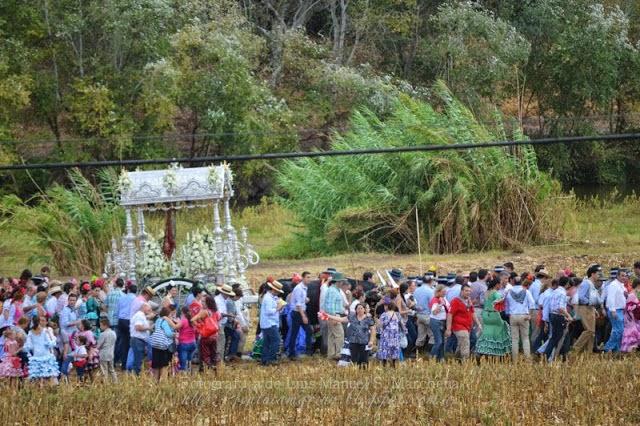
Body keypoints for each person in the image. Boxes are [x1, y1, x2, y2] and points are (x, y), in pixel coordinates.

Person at [324, 303, 375, 368]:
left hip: (364, 342)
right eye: (358, 308)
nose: (359, 310)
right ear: (356, 310)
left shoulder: (369, 319)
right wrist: (328, 316)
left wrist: (371, 341)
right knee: (354, 360)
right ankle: (356, 374)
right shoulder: (352, 317)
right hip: (353, 342)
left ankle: (364, 374)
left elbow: (373, 330)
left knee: (363, 360)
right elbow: (341, 319)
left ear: (364, 310)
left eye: (361, 308)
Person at [475, 279, 511, 358]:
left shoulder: (486, 293)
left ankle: (483, 349)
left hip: (485, 314)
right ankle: (496, 351)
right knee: (500, 330)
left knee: (487, 331)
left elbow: (482, 302)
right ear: (496, 285)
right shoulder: (495, 293)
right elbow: (499, 300)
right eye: (500, 284)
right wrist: (506, 296)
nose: (500, 286)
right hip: (494, 314)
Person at [445, 284, 481, 360]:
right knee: (465, 342)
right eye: (466, 291)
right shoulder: (455, 301)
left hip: (467, 326)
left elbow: (472, 313)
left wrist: (478, 323)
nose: (468, 292)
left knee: (461, 344)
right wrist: (448, 329)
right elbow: (450, 315)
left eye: (469, 291)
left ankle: (456, 360)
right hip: (458, 326)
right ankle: (466, 363)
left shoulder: (469, 300)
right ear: (461, 291)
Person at [573, 265, 601, 354]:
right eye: (598, 274)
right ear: (592, 274)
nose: (599, 275)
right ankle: (575, 349)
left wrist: (594, 309)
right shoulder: (586, 283)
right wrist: (589, 303)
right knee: (589, 330)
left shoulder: (590, 283)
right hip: (585, 308)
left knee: (592, 333)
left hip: (590, 308)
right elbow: (581, 296)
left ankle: (588, 352)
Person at [505, 278, 535, 361]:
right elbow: (532, 304)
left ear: (513, 282)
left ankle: (515, 359)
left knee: (514, 339)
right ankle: (527, 359)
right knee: (525, 338)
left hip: (513, 316)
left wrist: (508, 314)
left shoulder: (509, 292)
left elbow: (506, 306)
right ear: (521, 282)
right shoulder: (526, 292)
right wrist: (530, 315)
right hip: (524, 315)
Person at [544, 276, 573, 361]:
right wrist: (568, 316)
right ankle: (548, 355)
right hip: (559, 316)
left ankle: (548, 356)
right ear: (567, 284)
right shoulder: (562, 293)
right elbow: (561, 307)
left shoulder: (554, 291)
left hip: (552, 315)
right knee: (557, 338)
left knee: (555, 337)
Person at [24, 316, 59, 385]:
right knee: (50, 376)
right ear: (39, 322)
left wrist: (29, 355)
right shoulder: (45, 331)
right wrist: (54, 338)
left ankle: (40, 392)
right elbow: (50, 344)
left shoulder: (30, 332)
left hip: (36, 356)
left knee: (38, 378)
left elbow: (28, 346)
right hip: (46, 355)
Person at [191, 295, 222, 370]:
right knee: (213, 355)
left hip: (205, 336)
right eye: (201, 301)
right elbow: (218, 321)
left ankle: (206, 369)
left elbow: (192, 320)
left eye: (203, 301)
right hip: (214, 336)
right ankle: (214, 370)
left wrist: (199, 326)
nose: (202, 303)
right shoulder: (216, 311)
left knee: (204, 355)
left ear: (208, 303)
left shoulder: (204, 312)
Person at [260, 280, 285, 366]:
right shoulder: (268, 298)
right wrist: (279, 308)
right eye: (278, 291)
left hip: (268, 323)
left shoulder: (271, 297)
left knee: (267, 342)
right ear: (274, 290)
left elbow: (275, 311)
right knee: (276, 341)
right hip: (269, 323)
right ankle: (271, 359)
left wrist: (280, 308)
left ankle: (264, 360)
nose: (278, 293)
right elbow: (269, 312)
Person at [150, 306, 178, 382]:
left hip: (155, 345)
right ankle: (163, 382)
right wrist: (174, 334)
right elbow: (168, 333)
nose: (170, 315)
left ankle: (155, 381)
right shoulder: (165, 321)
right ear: (166, 314)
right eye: (170, 314)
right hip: (163, 346)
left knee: (156, 365)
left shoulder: (158, 320)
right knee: (164, 365)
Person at [323, 274, 346, 360]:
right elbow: (330, 305)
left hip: (332, 315)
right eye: (342, 281)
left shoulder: (334, 289)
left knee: (332, 335)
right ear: (338, 282)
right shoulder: (333, 291)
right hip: (334, 315)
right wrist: (334, 317)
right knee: (340, 335)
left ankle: (331, 354)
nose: (343, 283)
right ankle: (339, 353)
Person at [604, 269, 627, 353]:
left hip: (621, 310)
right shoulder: (613, 285)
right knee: (618, 330)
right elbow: (611, 298)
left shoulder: (621, 285)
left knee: (620, 331)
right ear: (617, 276)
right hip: (616, 310)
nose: (624, 277)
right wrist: (613, 310)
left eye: (625, 275)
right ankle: (608, 347)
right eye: (622, 275)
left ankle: (616, 350)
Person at [376, 299, 403, 367]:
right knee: (394, 350)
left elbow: (380, 325)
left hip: (386, 336)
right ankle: (393, 364)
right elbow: (402, 324)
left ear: (387, 306)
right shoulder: (397, 314)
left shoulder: (384, 315)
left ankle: (384, 364)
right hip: (395, 336)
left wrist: (377, 322)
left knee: (385, 350)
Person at [115, 284, 136, 369]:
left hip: (121, 321)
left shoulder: (122, 297)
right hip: (129, 321)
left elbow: (117, 310)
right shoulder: (135, 299)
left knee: (123, 343)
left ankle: (123, 364)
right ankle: (129, 364)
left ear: (128, 290)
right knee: (130, 343)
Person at [130, 302, 152, 375]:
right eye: (148, 309)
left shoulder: (141, 315)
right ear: (144, 307)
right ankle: (135, 377)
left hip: (139, 340)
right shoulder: (139, 315)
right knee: (138, 360)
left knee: (138, 360)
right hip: (137, 340)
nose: (149, 311)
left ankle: (135, 376)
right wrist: (149, 327)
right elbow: (138, 327)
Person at [429, 285, 450, 362]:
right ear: (438, 292)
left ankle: (441, 358)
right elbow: (434, 312)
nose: (445, 293)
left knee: (443, 341)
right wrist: (441, 304)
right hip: (436, 321)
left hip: (443, 321)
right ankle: (432, 357)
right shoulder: (435, 300)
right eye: (443, 292)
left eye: (445, 292)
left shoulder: (444, 299)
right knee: (439, 341)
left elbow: (448, 308)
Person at [414, 275, 434, 353]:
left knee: (421, 335)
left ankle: (417, 353)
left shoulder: (416, 290)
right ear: (430, 281)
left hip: (419, 315)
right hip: (427, 315)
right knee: (432, 335)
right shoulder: (430, 291)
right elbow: (432, 304)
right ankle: (430, 353)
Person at [621, 278, 640, 352]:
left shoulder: (635, 294)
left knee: (636, 332)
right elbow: (628, 307)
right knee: (631, 333)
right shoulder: (632, 294)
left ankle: (634, 349)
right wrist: (636, 306)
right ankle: (629, 350)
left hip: (635, 316)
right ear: (638, 285)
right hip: (630, 317)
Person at [97, 318, 117, 382]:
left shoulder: (103, 334)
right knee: (112, 369)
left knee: (104, 370)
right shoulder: (113, 333)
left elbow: (98, 346)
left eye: (101, 325)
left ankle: (106, 384)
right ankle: (115, 382)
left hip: (103, 354)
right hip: (111, 353)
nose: (100, 327)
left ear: (105, 325)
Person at [177, 307, 197, 372]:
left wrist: (168, 320)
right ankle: (189, 372)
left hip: (184, 344)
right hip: (193, 343)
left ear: (182, 313)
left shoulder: (183, 320)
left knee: (183, 361)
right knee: (189, 359)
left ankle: (183, 374)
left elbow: (176, 327)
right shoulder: (193, 320)